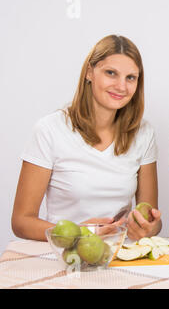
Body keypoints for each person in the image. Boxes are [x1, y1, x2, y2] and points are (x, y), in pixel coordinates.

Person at [11, 35, 161, 242]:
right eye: (111, 73)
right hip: (64, 254)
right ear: (90, 72)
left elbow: (151, 216)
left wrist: (148, 228)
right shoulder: (49, 130)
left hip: (117, 254)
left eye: (131, 78)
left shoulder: (143, 133)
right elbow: (22, 222)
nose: (121, 86)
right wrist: (80, 234)